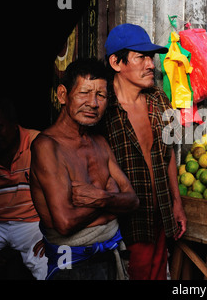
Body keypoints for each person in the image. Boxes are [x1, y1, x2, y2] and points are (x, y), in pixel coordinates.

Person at [30, 58, 139, 280]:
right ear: (63, 95)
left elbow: (133, 201)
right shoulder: (47, 146)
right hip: (71, 264)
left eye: (101, 95)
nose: (93, 103)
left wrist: (99, 197)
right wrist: (112, 200)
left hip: (109, 256)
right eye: (84, 93)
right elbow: (65, 223)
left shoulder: (99, 142)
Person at [103, 23, 187, 280]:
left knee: (159, 273)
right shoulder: (103, 108)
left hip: (160, 211)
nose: (151, 64)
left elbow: (168, 154)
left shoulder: (159, 99)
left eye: (151, 57)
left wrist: (176, 202)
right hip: (127, 220)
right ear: (117, 62)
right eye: (142, 57)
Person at [0, 97, 47, 279]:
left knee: (53, 265)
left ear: (15, 125)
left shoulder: (37, 143)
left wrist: (52, 234)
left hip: (32, 222)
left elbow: (57, 193)